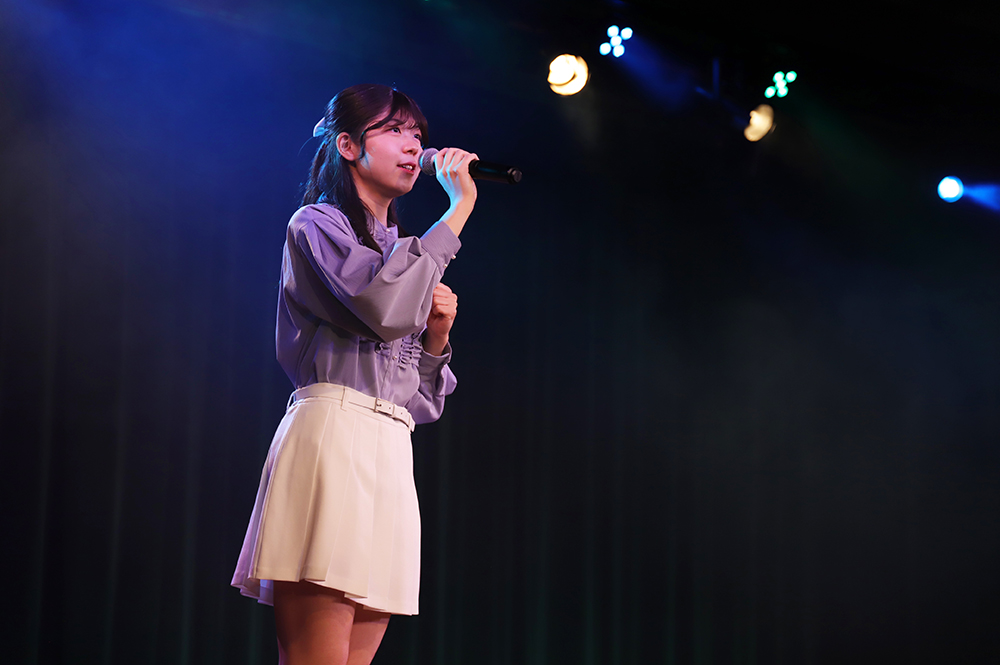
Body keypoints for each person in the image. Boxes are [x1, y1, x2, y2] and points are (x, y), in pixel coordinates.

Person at [231, 83, 478, 665]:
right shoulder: (317, 225)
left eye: (417, 133)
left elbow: (419, 404)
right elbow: (380, 308)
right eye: (394, 130)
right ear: (348, 145)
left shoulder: (404, 253)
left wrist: (436, 339)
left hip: (391, 447)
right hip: (334, 435)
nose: (413, 145)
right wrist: (458, 210)